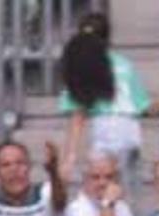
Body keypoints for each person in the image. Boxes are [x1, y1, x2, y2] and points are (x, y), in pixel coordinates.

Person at [60, 10, 153, 185]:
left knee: (101, 186)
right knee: (127, 188)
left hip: (105, 129)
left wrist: (70, 158)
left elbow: (78, 117)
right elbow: (142, 105)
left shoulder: (82, 62)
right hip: (131, 129)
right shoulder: (125, 64)